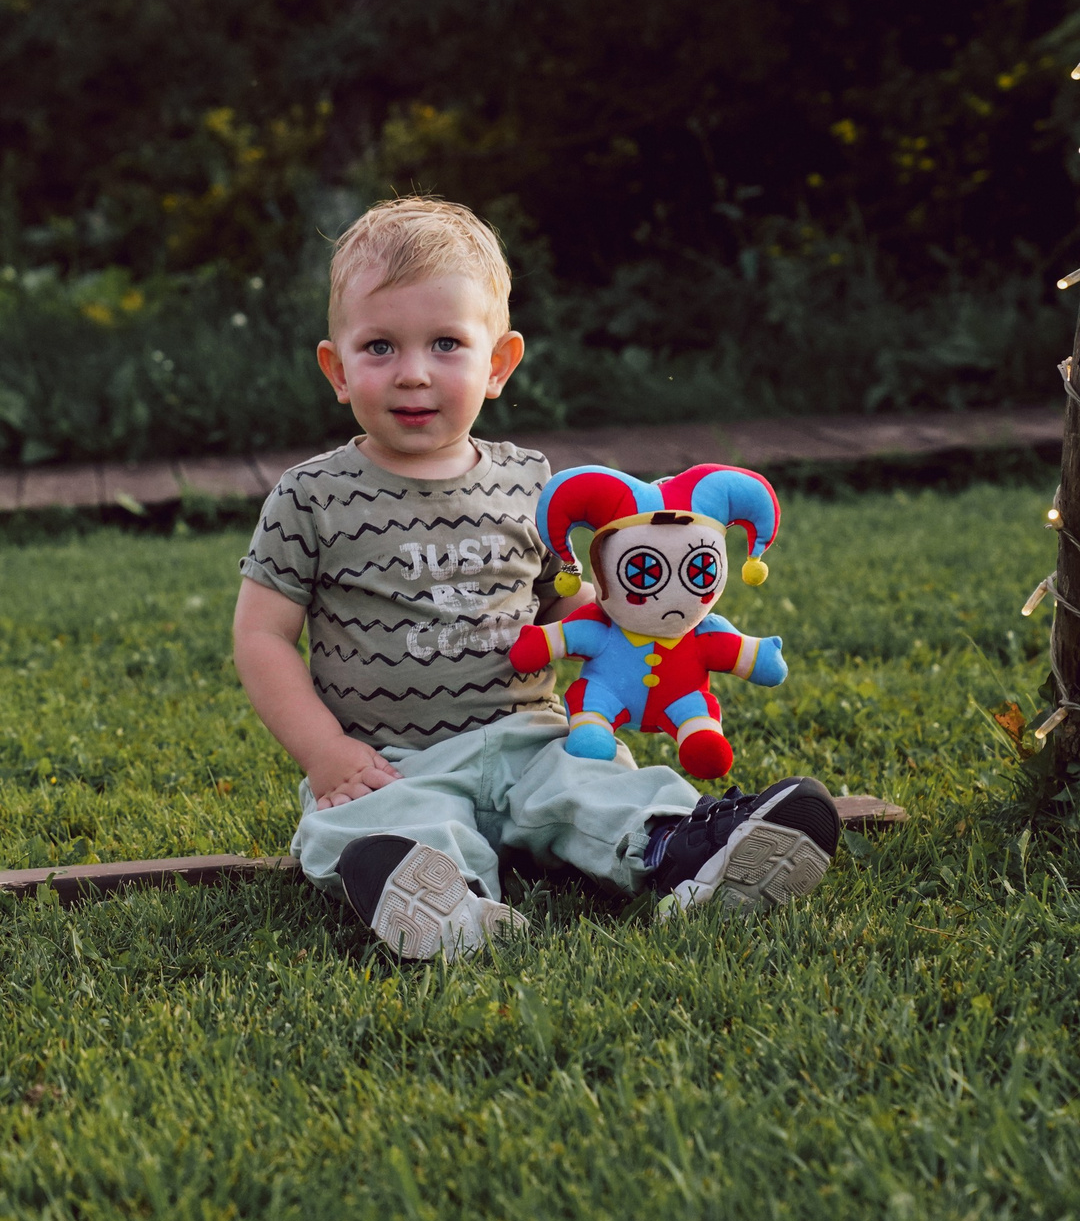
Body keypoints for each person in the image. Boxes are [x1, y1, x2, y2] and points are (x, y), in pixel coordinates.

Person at [229, 197, 840, 961]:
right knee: (367, 823)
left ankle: (688, 852)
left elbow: (570, 601)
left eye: (446, 344)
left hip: (531, 735)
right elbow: (262, 636)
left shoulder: (533, 483)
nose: (413, 373)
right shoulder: (311, 497)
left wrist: (645, 629)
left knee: (599, 785)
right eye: (380, 347)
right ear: (337, 369)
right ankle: (445, 902)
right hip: (390, 757)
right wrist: (325, 753)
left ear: (498, 364)